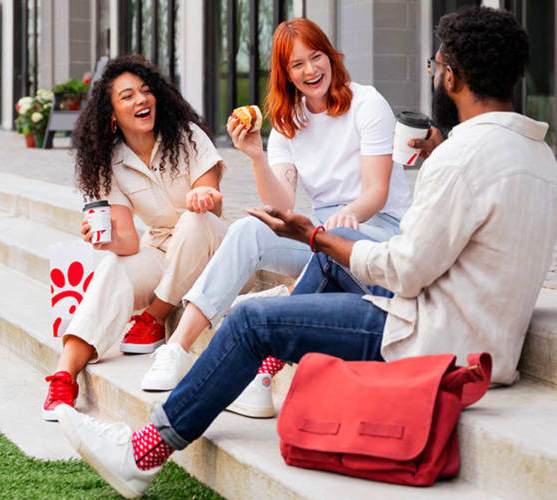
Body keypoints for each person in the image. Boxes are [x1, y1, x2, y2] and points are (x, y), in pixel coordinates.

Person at [54, 6, 557, 497]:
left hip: (431, 334)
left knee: (253, 320)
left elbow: (406, 271)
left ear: (453, 77)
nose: (433, 75)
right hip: (485, 339)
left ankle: (144, 452)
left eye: (435, 66)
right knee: (308, 262)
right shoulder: (540, 154)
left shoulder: (458, 158)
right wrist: (322, 238)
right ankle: (240, 368)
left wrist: (322, 240)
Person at [140, 18, 412, 417]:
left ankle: (261, 374)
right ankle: (178, 347)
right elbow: (281, 207)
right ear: (285, 74)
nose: (310, 71)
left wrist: (341, 222)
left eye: (316, 57)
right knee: (249, 229)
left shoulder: (368, 104)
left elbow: (376, 191)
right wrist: (256, 156)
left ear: (331, 57)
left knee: (331, 246)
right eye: (297, 65)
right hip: (320, 234)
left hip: (377, 232)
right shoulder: (288, 121)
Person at [41, 55, 229, 420]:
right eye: (127, 96)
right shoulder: (110, 161)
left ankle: (155, 316)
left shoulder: (188, 136)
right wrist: (103, 240)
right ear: (112, 114)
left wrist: (203, 198)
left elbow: (213, 202)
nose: (141, 100)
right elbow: (127, 241)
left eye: (145, 91)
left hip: (212, 244)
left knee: (194, 221)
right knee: (113, 265)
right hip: (162, 248)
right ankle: (64, 375)